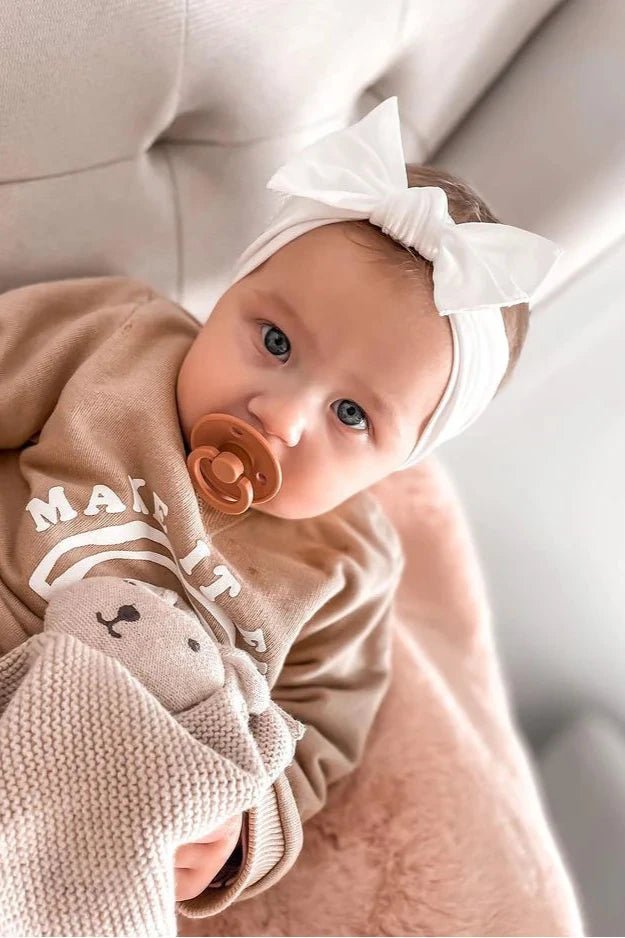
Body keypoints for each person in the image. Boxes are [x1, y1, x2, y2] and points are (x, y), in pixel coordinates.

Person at [0, 97, 561, 920]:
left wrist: (238, 832)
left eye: (351, 416)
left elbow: (309, 742)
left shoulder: (351, 566)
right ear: (232, 290)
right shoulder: (117, 342)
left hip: (97, 789)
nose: (282, 416)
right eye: (274, 342)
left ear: (396, 463)